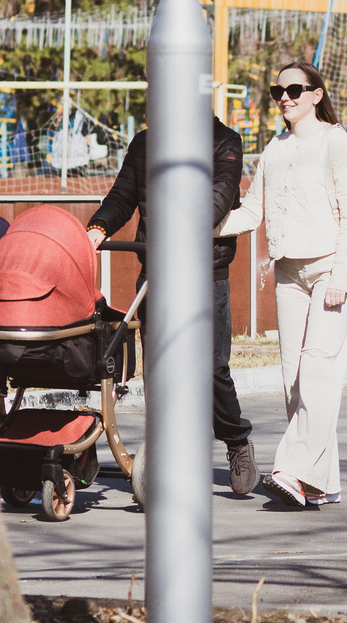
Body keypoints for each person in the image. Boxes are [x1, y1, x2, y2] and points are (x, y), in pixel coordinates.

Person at [220, 64, 347, 509]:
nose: (285, 96)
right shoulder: (275, 149)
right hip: (289, 275)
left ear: (317, 94)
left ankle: (291, 470)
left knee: (318, 370)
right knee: (294, 382)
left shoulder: (337, 144)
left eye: (295, 89)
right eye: (277, 90)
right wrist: (204, 224)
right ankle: (322, 482)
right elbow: (250, 213)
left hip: (328, 273)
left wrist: (341, 278)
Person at [87, 112, 255, 495]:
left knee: (212, 369)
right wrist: (98, 227)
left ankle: (236, 441)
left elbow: (219, 197)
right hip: (158, 270)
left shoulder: (224, 141)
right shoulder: (145, 143)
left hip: (204, 271)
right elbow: (122, 196)